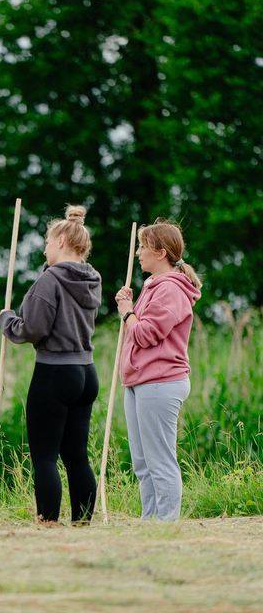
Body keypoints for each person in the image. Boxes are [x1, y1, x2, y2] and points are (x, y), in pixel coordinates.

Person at [0, 206, 101, 525]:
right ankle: (82, 522)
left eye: (46, 242)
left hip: (55, 373)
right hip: (86, 372)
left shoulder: (50, 280)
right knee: (76, 456)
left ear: (59, 241)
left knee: (44, 456)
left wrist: (7, 321)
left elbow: (34, 329)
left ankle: (48, 524)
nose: (44, 249)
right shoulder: (92, 278)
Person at [115, 219, 201, 521]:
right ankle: (150, 522)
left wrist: (127, 313)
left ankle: (166, 525)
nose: (139, 252)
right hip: (141, 381)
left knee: (160, 460)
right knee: (142, 462)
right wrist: (130, 307)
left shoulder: (171, 290)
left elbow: (145, 334)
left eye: (143, 247)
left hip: (160, 382)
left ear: (161, 252)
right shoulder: (153, 287)